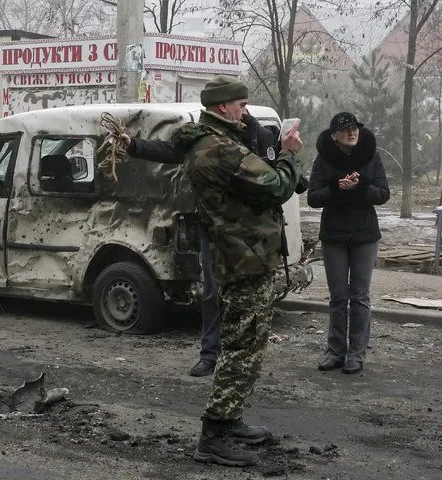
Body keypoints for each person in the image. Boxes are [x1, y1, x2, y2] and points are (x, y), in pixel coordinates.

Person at [172, 75, 304, 467]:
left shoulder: (210, 143)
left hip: (241, 254)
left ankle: (229, 422)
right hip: (243, 258)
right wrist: (288, 153)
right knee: (241, 349)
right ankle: (214, 434)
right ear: (222, 107)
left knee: (242, 344)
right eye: (241, 105)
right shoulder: (219, 149)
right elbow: (277, 185)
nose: (244, 111)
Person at [121, 111, 282, 377]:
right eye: (236, 104)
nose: (240, 110)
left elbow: (274, 178)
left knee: (246, 296)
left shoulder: (258, 135)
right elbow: (172, 150)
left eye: (242, 104)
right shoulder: (206, 137)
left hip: (249, 233)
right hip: (213, 228)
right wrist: (135, 145)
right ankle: (210, 354)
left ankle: (242, 358)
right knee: (212, 293)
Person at [307, 112, 390, 374]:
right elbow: (313, 198)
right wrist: (336, 187)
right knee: (338, 297)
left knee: (360, 296)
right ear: (335, 136)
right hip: (334, 235)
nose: (352, 132)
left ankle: (356, 353)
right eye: (345, 129)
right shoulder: (323, 159)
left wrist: (362, 185)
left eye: (354, 128)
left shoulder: (371, 156)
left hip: (365, 235)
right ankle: (335, 351)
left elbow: (383, 194)